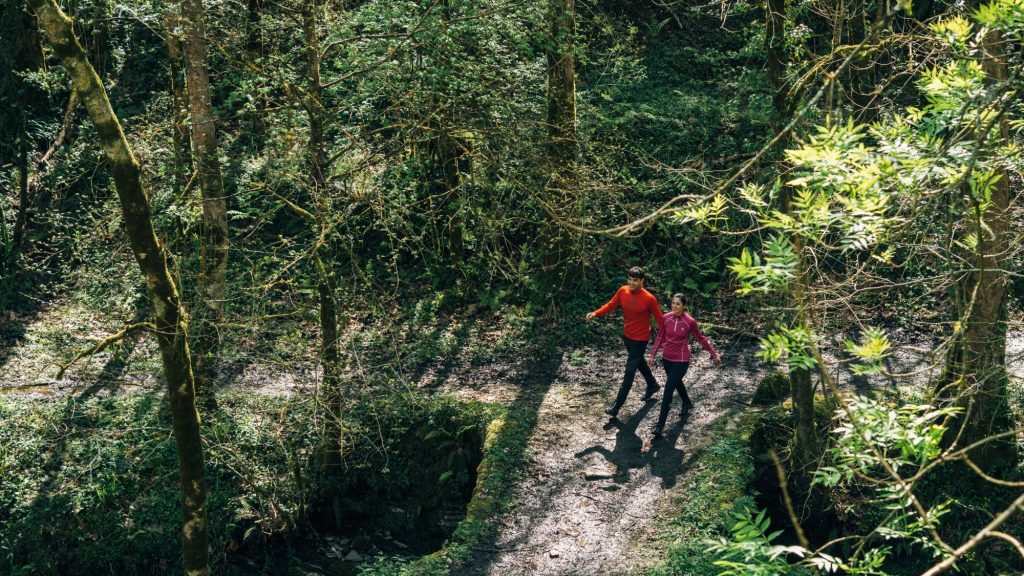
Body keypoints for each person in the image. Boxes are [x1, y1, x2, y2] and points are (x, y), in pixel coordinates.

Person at [585, 266, 664, 418]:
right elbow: (611, 305)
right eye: (630, 280)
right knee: (639, 361)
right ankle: (652, 384)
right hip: (627, 336)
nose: (632, 283)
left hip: (641, 339)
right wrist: (596, 313)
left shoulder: (650, 299)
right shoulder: (623, 291)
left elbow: (660, 321)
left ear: (642, 281)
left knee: (629, 371)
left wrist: (664, 341)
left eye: (635, 280)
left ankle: (616, 406)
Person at [647, 293, 721, 436]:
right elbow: (660, 337)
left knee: (668, 389)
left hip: (682, 359)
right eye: (673, 303)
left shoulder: (690, 321)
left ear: (684, 306)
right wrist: (652, 355)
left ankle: (660, 425)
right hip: (667, 359)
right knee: (676, 383)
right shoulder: (665, 318)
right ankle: (687, 402)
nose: (674, 306)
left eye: (678, 304)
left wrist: (714, 354)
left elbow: (700, 338)